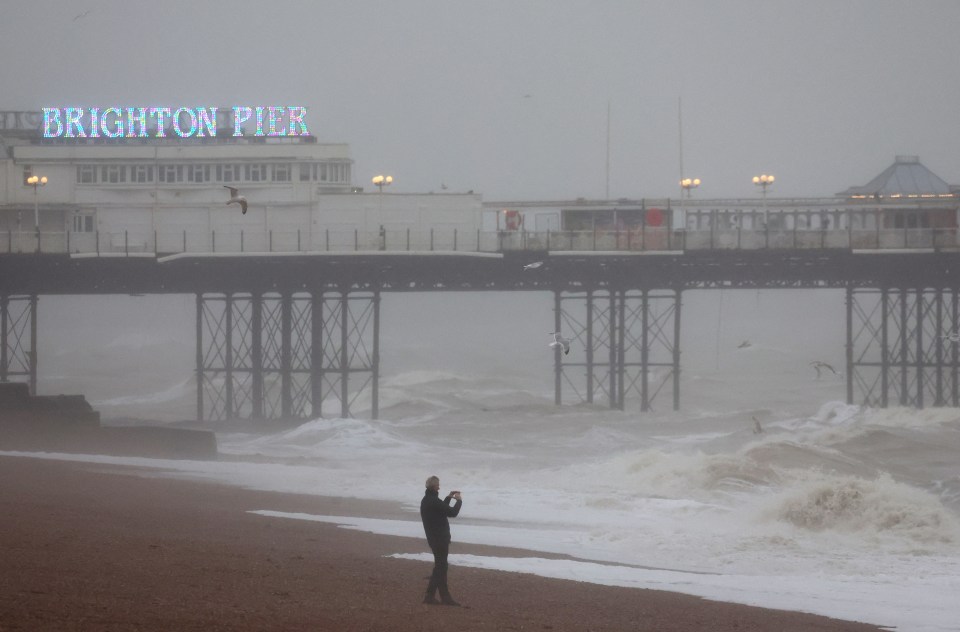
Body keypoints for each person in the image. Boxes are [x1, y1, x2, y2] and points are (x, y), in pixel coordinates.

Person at [419, 475, 462, 606]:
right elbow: (452, 513)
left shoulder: (427, 500)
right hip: (439, 538)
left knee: (441, 566)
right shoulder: (433, 501)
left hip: (433, 538)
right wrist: (459, 501)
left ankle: (444, 596)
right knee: (441, 567)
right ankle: (430, 595)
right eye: (438, 485)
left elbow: (442, 509)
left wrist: (448, 498)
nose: (439, 486)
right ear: (434, 486)